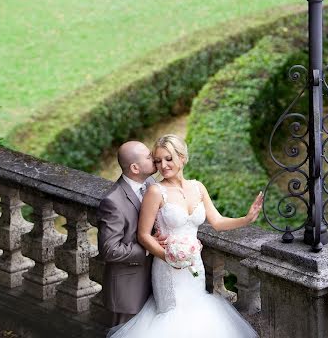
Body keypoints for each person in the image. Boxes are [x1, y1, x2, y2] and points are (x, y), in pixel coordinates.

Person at [109, 134, 263, 338]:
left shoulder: (198, 187)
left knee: (197, 316)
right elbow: (143, 236)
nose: (163, 165)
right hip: (167, 270)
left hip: (194, 266)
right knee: (173, 320)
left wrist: (246, 218)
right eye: (157, 161)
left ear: (182, 158)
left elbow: (217, 222)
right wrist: (169, 257)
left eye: (168, 158)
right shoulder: (155, 191)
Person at [96, 140, 158, 329]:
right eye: (148, 156)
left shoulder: (150, 183)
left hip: (154, 281)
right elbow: (109, 250)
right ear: (135, 168)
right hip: (127, 289)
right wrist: (148, 248)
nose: (154, 157)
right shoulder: (113, 201)